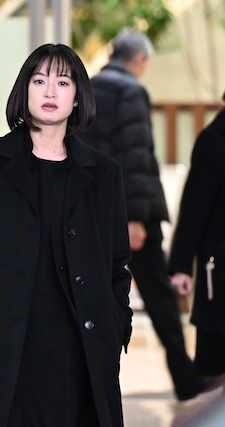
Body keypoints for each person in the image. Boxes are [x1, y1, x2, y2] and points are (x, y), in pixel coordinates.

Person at [0, 43, 133, 427]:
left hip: (79, 353)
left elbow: (117, 263)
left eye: (62, 83)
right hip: (4, 349)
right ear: (25, 91)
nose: (50, 91)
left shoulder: (104, 173)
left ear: (77, 97)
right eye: (39, 81)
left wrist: (117, 326)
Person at [78, 30, 205, 401]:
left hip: (92, 213)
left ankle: (87, 383)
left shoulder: (87, 89)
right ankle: (185, 378)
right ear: (138, 60)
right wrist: (135, 218)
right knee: (160, 297)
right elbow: (134, 157)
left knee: (92, 295)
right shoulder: (130, 91)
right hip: (131, 214)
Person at [168, 91, 225, 390]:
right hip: (219, 272)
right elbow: (194, 208)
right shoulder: (214, 141)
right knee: (215, 369)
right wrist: (180, 266)